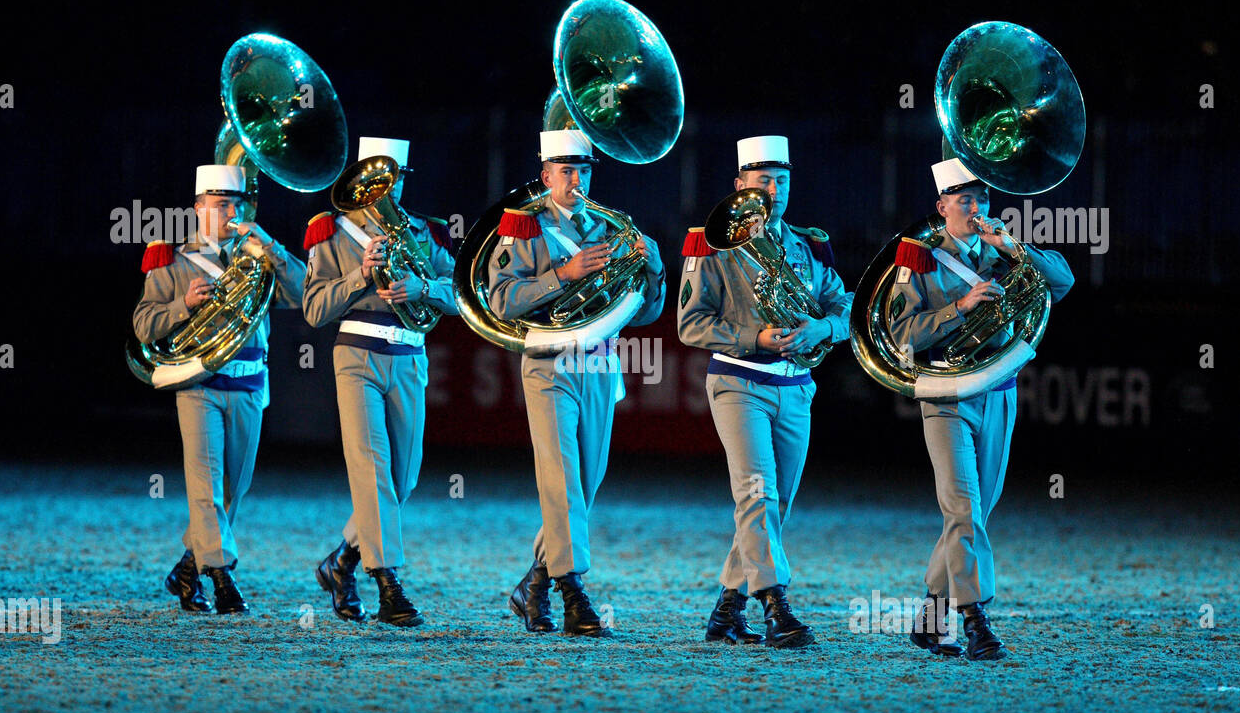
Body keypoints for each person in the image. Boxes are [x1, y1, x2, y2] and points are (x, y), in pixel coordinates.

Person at [893, 157, 1074, 660]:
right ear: (942, 205)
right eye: (965, 199)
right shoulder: (919, 260)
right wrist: (962, 308)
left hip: (999, 391)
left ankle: (931, 617)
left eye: (983, 199)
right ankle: (974, 619)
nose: (976, 209)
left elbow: (1063, 283)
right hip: (947, 396)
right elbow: (904, 334)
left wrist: (1013, 247)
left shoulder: (1003, 256)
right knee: (963, 508)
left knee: (974, 513)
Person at [490, 129, 666, 637]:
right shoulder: (522, 228)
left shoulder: (606, 230)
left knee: (585, 485)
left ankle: (533, 585)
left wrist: (653, 270)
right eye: (566, 171)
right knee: (563, 481)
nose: (577, 179)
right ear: (545, 176)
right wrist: (561, 275)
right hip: (548, 363)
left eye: (584, 170)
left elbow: (642, 313)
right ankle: (574, 596)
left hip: (599, 364)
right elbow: (502, 300)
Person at [677, 135, 852, 648]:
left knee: (772, 508)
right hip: (739, 382)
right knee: (756, 495)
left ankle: (727, 611)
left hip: (796, 386)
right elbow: (690, 325)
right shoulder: (709, 243)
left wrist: (825, 330)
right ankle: (778, 608)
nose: (773, 190)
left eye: (781, 180)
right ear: (740, 186)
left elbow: (843, 307)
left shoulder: (810, 243)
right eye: (762, 182)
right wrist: (754, 337)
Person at [134, 164, 306, 614]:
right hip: (199, 385)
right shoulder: (170, 260)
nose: (229, 212)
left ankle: (188, 571)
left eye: (235, 204)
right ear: (198, 209)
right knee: (205, 486)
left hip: (250, 384)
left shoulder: (258, 257)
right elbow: (143, 324)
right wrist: (182, 304)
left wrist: (269, 245)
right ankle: (223, 576)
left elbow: (306, 293)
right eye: (219, 205)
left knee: (232, 491)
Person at [302, 137, 458, 625]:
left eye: (391, 180)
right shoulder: (331, 234)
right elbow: (313, 310)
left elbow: (463, 297)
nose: (382, 192)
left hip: (409, 354)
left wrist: (425, 287)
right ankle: (389, 585)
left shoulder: (425, 232)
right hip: (356, 354)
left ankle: (341, 562)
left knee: (401, 480)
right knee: (372, 470)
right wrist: (358, 275)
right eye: (373, 182)